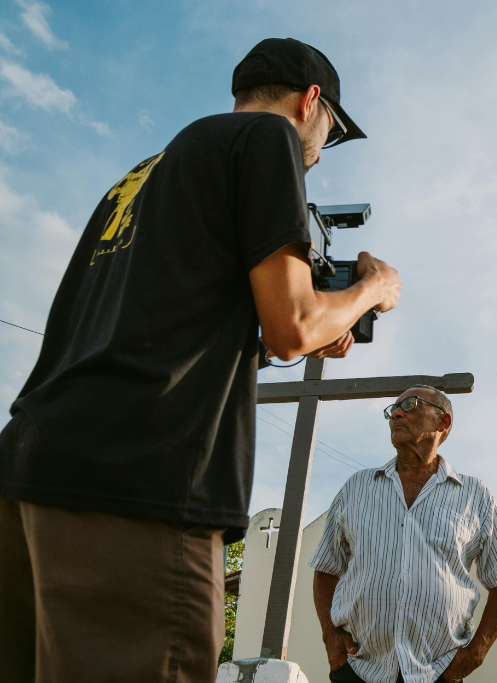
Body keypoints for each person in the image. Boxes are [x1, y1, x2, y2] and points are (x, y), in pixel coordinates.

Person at [0, 38, 401, 683]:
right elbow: (295, 326)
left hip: (33, 470)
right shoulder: (268, 139)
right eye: (331, 130)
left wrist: (279, 334)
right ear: (311, 101)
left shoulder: (144, 174)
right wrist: (371, 290)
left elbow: (181, 323)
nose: (323, 150)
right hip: (140, 477)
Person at [310, 385, 497, 683]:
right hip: (360, 669)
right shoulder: (357, 488)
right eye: (392, 410)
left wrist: (476, 653)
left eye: (410, 405)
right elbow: (326, 568)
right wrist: (330, 637)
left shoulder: (475, 495)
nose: (396, 414)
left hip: (439, 671)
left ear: (443, 422)